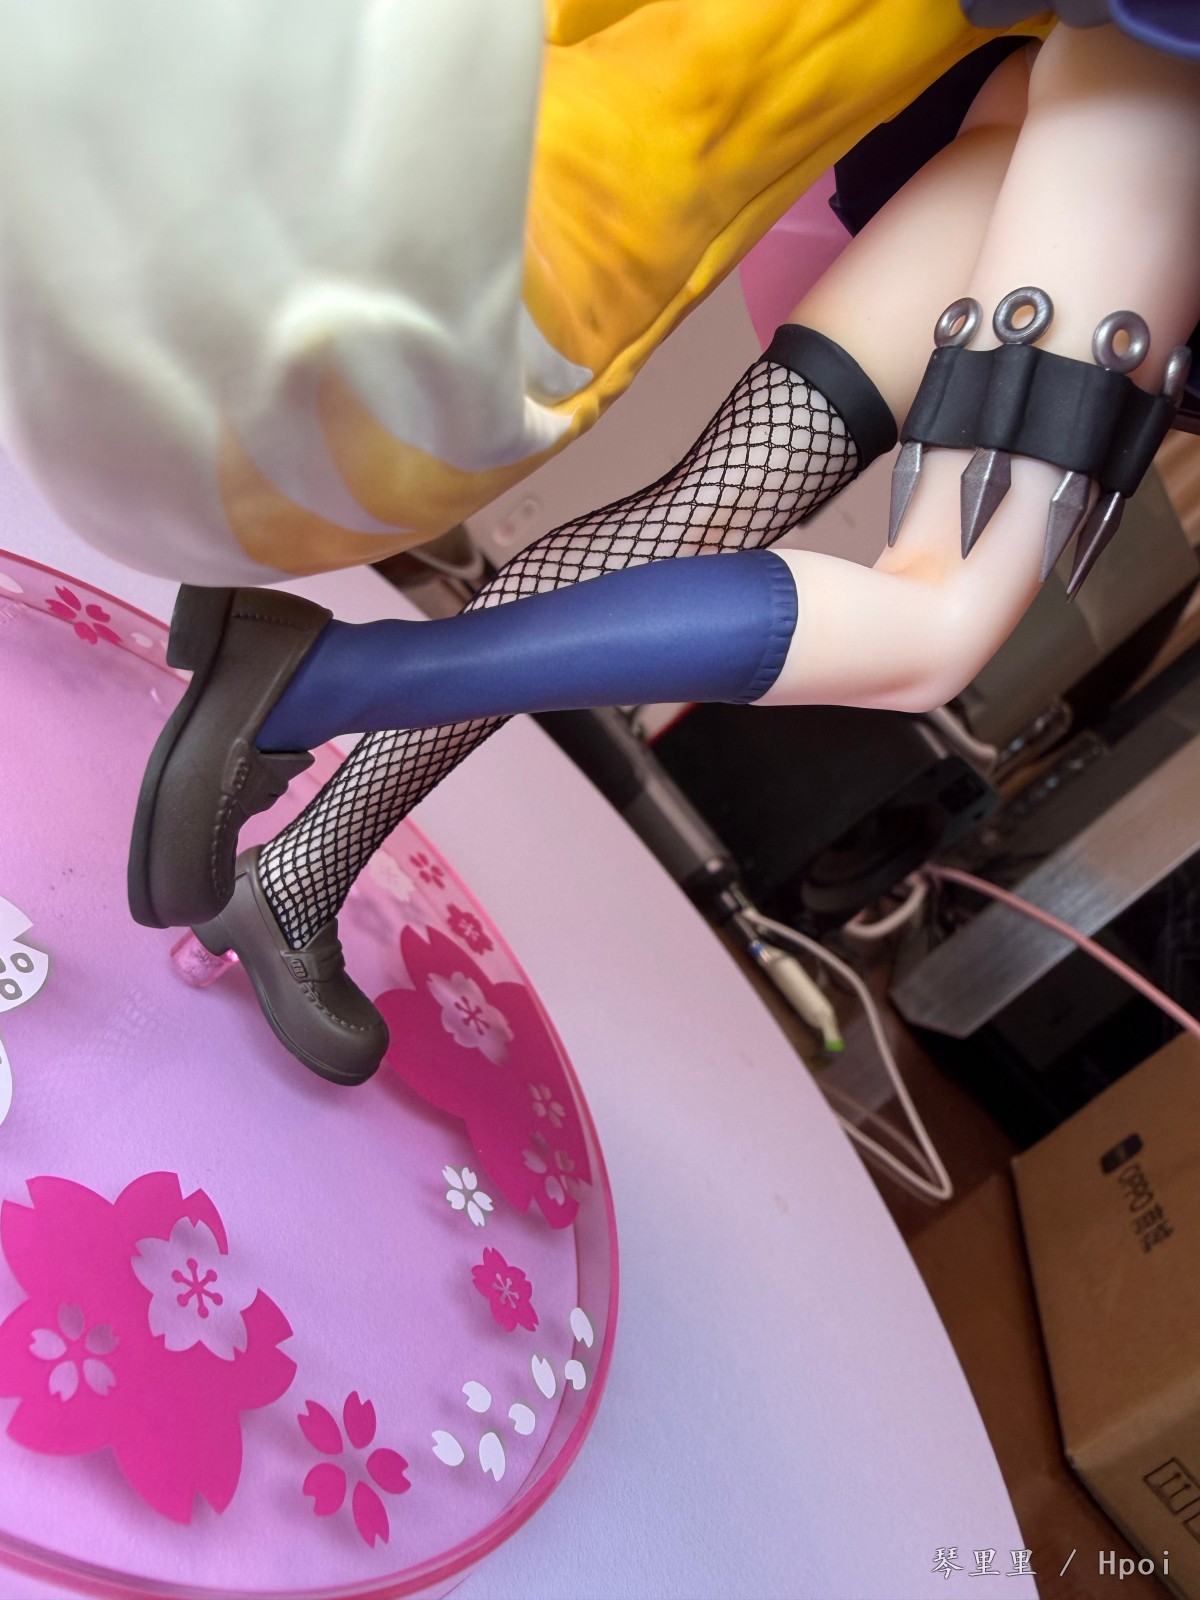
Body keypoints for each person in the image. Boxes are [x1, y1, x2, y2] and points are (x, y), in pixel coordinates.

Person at [9, 7, 1199, 1081]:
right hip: (1154, 109)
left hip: (1037, 95)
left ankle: (302, 869)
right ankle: (320, 679)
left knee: (712, 504)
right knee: (935, 627)